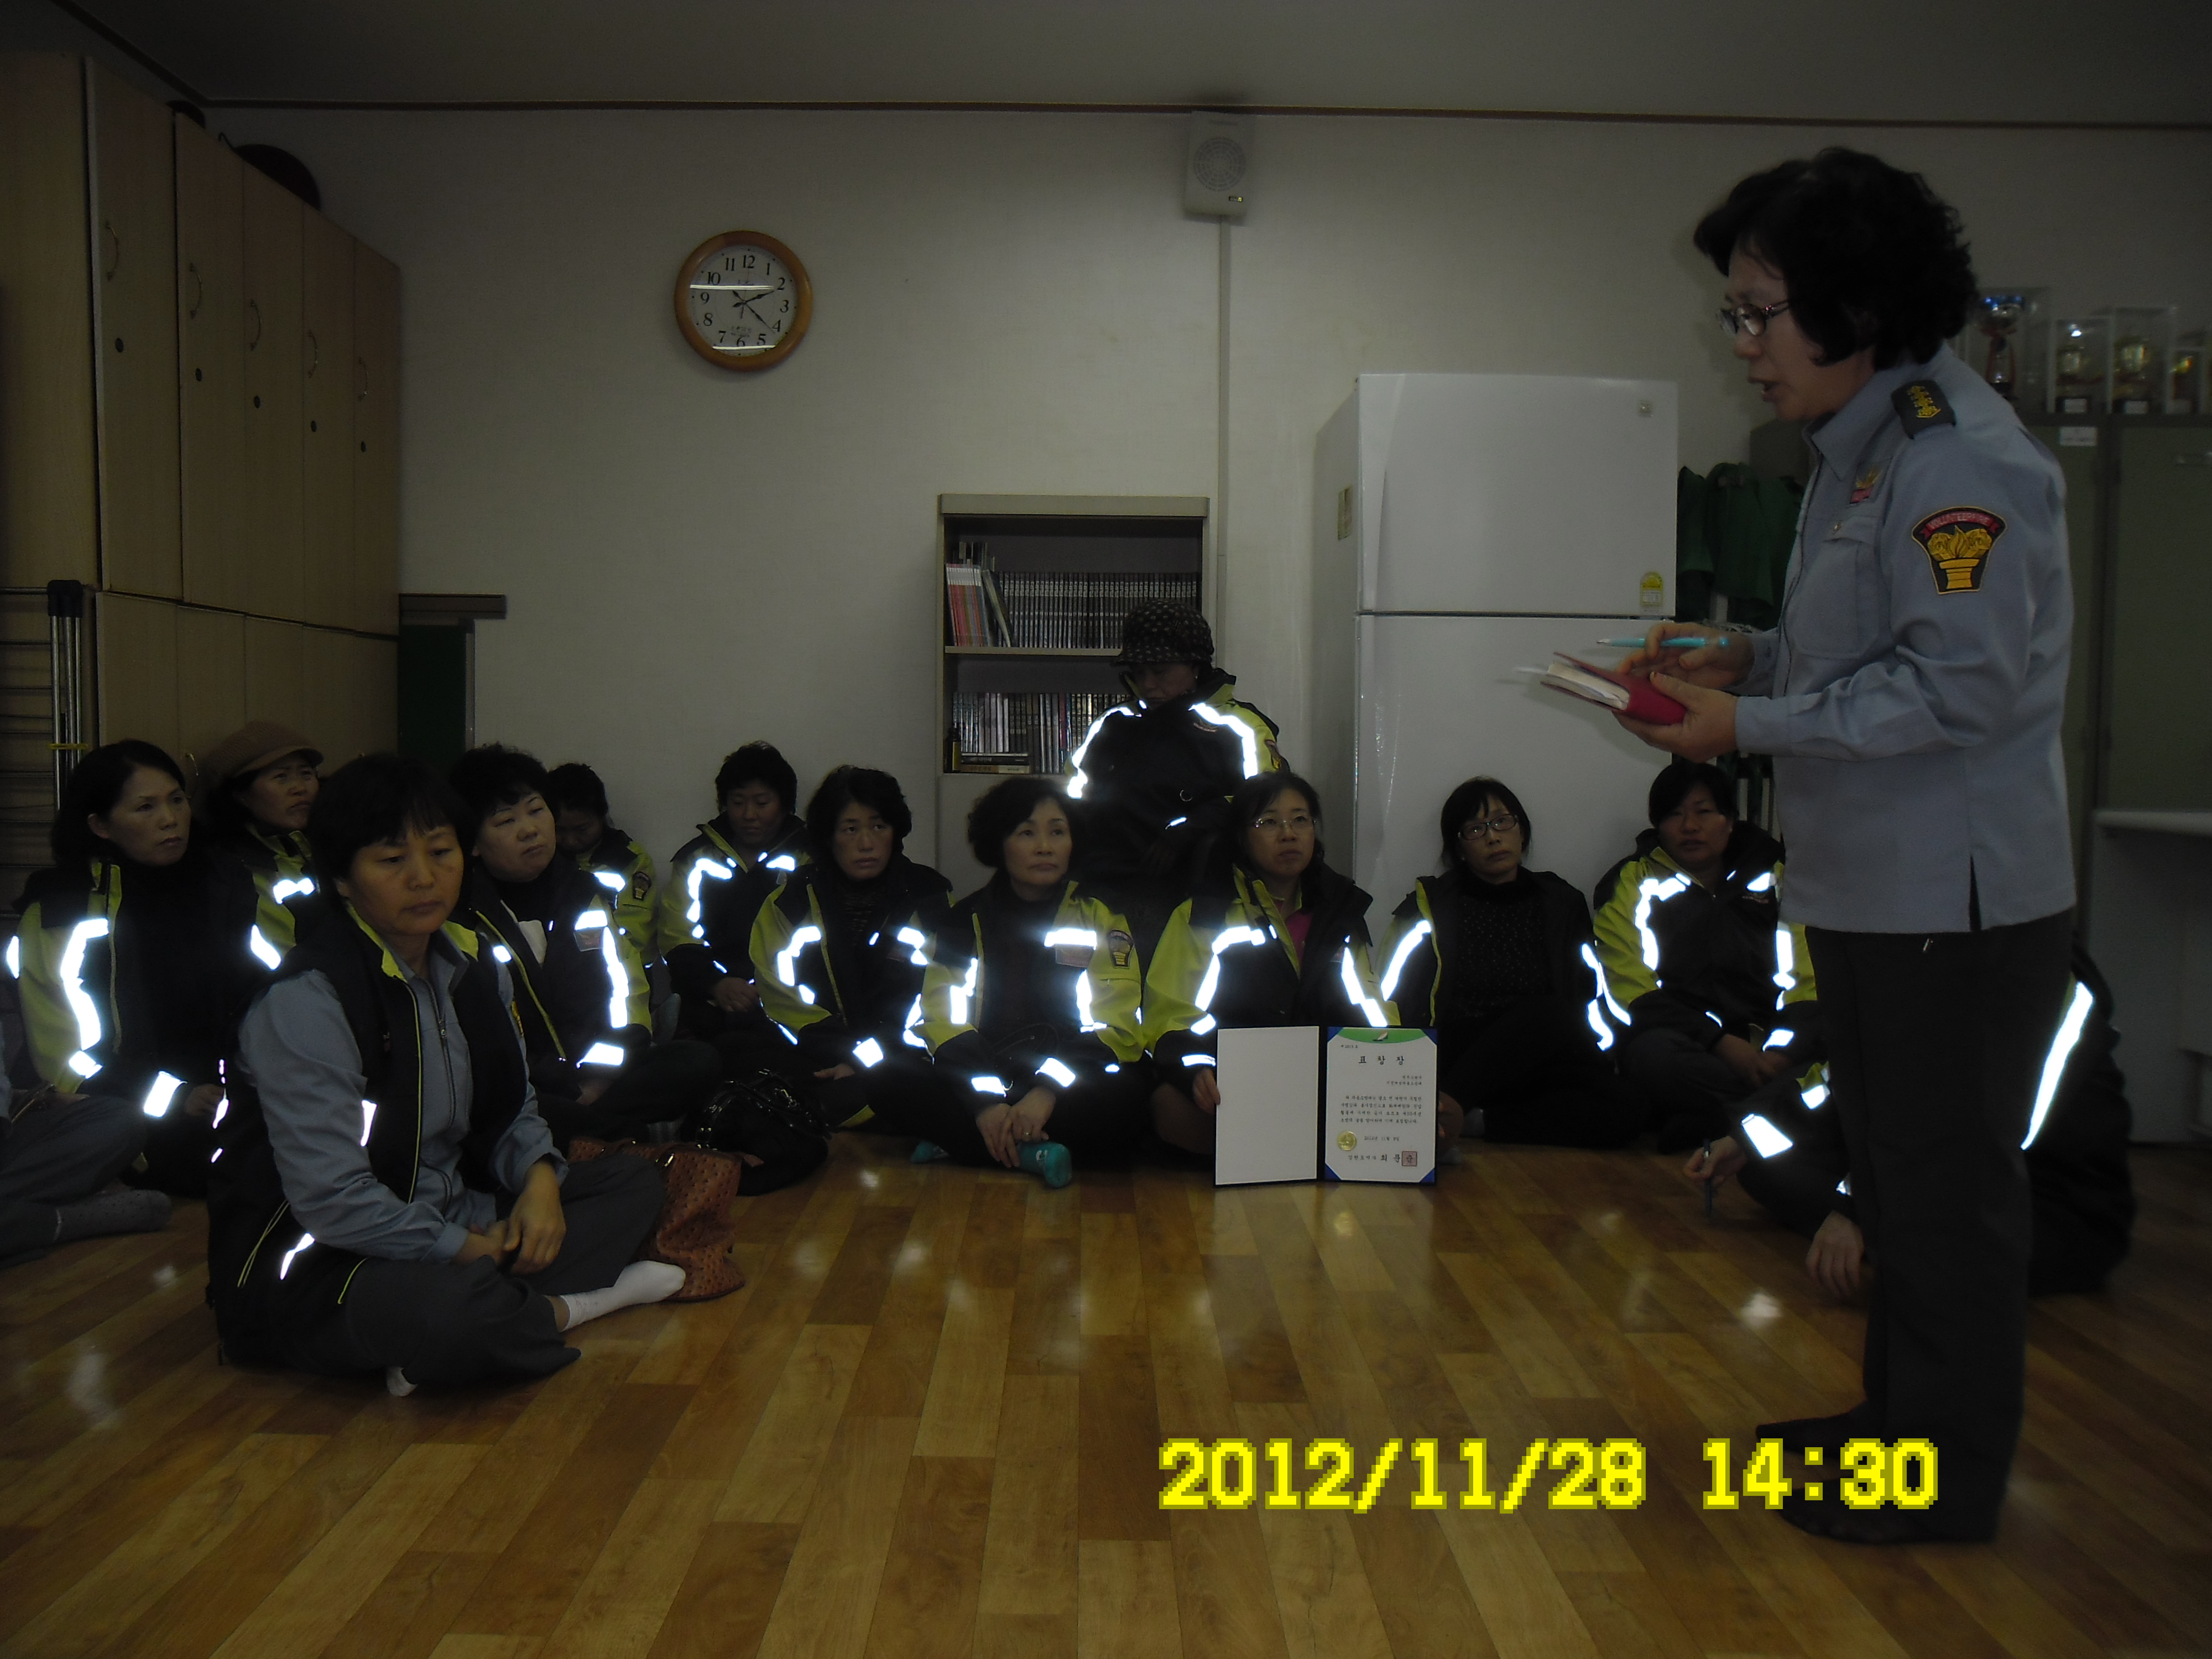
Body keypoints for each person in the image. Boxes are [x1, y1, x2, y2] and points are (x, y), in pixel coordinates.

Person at [1619, 149, 2075, 1543]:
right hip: (1880, 893)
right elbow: (1857, 649)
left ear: (1858, 307)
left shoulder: (1956, 463)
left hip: (1955, 903)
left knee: (1943, 1197)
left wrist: (1745, 721)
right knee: (1888, 1176)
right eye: (1736, 313)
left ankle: (1940, 1477)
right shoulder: (1859, 450)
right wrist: (1745, 657)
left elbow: (1957, 690)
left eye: (1759, 313)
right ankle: (1893, 1435)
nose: (1741, 345)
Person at [209, 753, 680, 1394]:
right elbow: (332, 1201)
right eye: (391, 860)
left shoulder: (472, 963)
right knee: (449, 1313)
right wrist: (466, 1250)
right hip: (324, 1260)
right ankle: (571, 1308)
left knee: (633, 1182)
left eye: (440, 852)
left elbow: (512, 1104)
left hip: (460, 1216)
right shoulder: (308, 1000)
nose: (424, 878)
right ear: (342, 879)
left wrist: (540, 1185)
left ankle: (461, 1326)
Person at [1686, 946, 2133, 1301]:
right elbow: (1845, 1079)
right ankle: (1872, 1239)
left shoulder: (2052, 990)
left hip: (2040, 1200)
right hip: (1935, 1174)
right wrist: (1747, 1137)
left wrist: (1859, 1207)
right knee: (1766, 1165)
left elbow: (1990, 1133)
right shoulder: (1926, 963)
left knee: (1921, 1251)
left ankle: (1876, 1240)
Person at [12, 740, 266, 1194]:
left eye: (176, 800)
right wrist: (176, 1095)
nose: (170, 819)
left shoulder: (225, 881)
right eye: (145, 807)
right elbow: (66, 1059)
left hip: (221, 1089)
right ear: (100, 825)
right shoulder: (62, 912)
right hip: (121, 1101)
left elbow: (261, 993)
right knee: (130, 1137)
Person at [870, 778, 1149, 1186]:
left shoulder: (1100, 917)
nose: (1045, 847)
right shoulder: (959, 922)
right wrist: (985, 1102)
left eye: (1058, 832)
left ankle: (963, 1143)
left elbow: (1116, 1022)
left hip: (1064, 1080)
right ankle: (1027, 1150)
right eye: (1026, 833)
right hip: (982, 1069)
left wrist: (1047, 1091)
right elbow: (942, 1020)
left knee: (1131, 1097)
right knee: (884, 1075)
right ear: (999, 844)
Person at [448, 746, 721, 1147]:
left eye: (536, 811)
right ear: (472, 842)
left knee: (699, 1061)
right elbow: (480, 1039)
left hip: (600, 1075)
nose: (530, 830)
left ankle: (593, 1137)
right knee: (498, 1110)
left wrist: (599, 1075)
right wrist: (560, 1082)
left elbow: (626, 987)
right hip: (527, 1087)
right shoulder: (460, 918)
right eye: (506, 821)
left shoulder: (582, 892)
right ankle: (621, 1137)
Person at [1381, 778, 1641, 1151]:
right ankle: (1453, 1101)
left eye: (1503, 822)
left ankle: (1473, 1120)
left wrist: (1594, 1050)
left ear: (1522, 832)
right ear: (1459, 848)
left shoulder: (1561, 902)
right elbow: (1393, 993)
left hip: (1537, 1054)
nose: (1493, 837)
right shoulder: (1431, 906)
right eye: (1476, 829)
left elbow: (1588, 992)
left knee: (1628, 1106)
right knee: (1547, 1012)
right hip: (1458, 1052)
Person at [1144, 772, 1391, 1156]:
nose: (1288, 834)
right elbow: (1170, 1014)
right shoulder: (1205, 916)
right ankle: (1294, 1152)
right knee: (1169, 1106)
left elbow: (1368, 1004)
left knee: (1429, 1123)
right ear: (1242, 838)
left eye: (1300, 820)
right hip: (1237, 1079)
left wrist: (1394, 1063)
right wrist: (1196, 1067)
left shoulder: (1338, 913)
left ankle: (1284, 1151)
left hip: (1323, 1076)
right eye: (1269, 822)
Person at [1591, 763, 1816, 1150]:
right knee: (1652, 1057)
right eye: (1675, 814)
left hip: (1770, 1043)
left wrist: (1782, 1051)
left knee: (1840, 1050)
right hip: (1687, 1046)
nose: (1690, 826)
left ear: (1729, 821)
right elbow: (1631, 992)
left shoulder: (1778, 876)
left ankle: (1717, 1121)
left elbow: (1807, 979)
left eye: (1704, 811)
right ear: (1658, 826)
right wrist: (1719, 1043)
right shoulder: (1631, 882)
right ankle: (1773, 1116)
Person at [1066, 601, 1284, 941]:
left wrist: (1189, 828)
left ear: (1195, 666)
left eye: (1160, 671)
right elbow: (1072, 798)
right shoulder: (1114, 723)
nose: (1148, 684)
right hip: (1101, 890)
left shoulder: (1238, 727)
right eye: (1139, 672)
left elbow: (1270, 804)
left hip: (1198, 899)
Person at [752, 767, 954, 1128]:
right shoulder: (790, 902)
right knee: (740, 1057)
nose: (866, 843)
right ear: (828, 835)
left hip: (900, 1056)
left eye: (879, 827)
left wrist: (863, 1059)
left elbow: (940, 1000)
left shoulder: (931, 898)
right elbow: (778, 995)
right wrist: (844, 1054)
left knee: (932, 1083)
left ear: (896, 831)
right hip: (817, 1053)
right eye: (850, 829)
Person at [660, 743, 811, 1050]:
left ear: (785, 804)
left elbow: (820, 939)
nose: (749, 815)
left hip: (793, 1003)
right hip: (709, 1002)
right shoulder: (697, 859)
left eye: (762, 803)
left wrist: (770, 990)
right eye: (738, 802)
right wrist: (716, 984)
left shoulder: (810, 859)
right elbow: (677, 938)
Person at [196, 721, 323, 954]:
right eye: (281, 777)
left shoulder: (327, 845)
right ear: (242, 795)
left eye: (306, 774)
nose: (299, 788)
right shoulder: (232, 869)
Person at [545, 761, 658, 964]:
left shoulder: (630, 861)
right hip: (552, 968)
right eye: (559, 830)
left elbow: (635, 934)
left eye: (582, 830)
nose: (571, 841)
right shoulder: (540, 859)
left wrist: (576, 948)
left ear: (601, 817)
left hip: (622, 967)